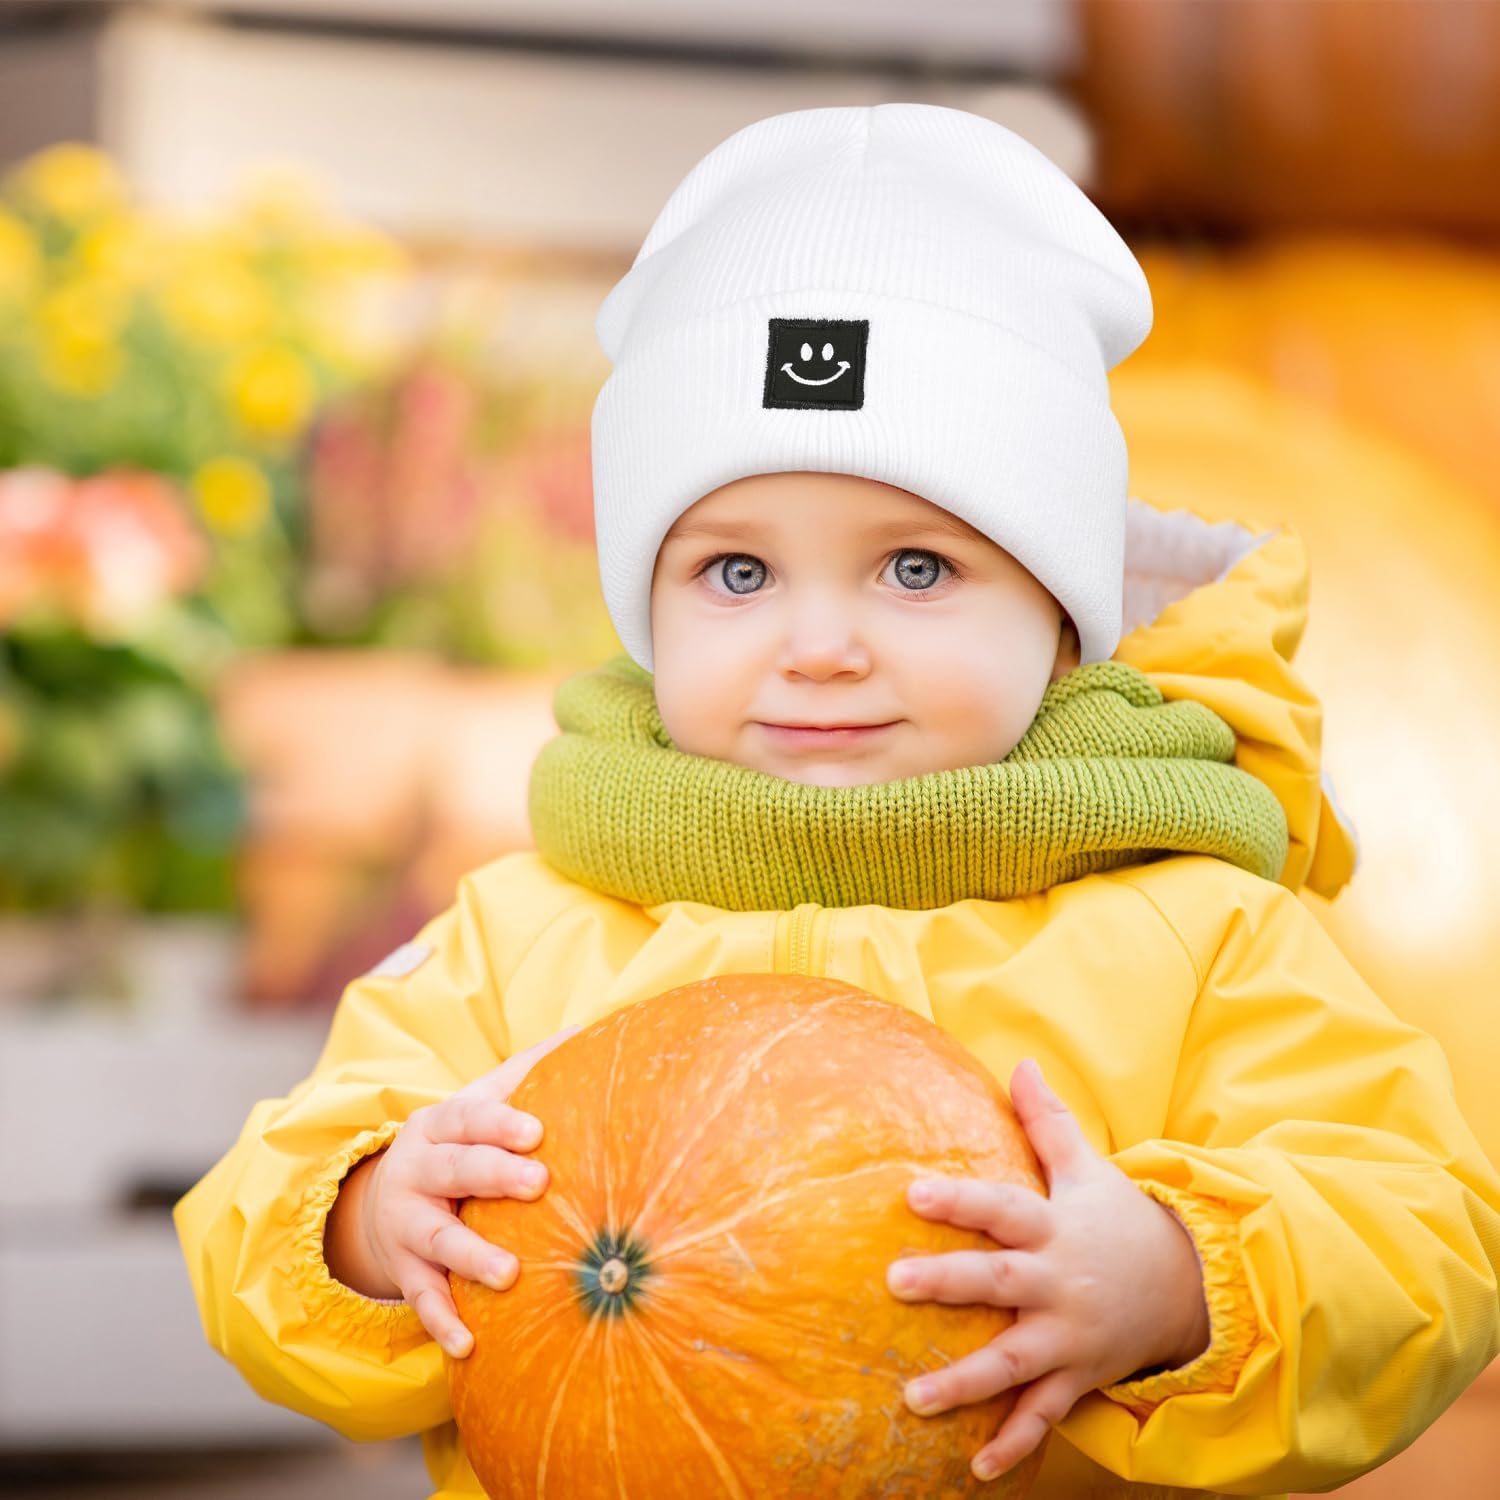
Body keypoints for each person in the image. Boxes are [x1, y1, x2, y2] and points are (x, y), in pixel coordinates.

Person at [174, 103, 1500, 1499]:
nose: (818, 645)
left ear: (1062, 619)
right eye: (737, 573)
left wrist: (1177, 1285)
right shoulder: (526, 935)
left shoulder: (1193, 935)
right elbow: (254, 1214)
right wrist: (371, 1221)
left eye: (916, 569)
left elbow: (1422, 1240)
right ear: (648, 611)